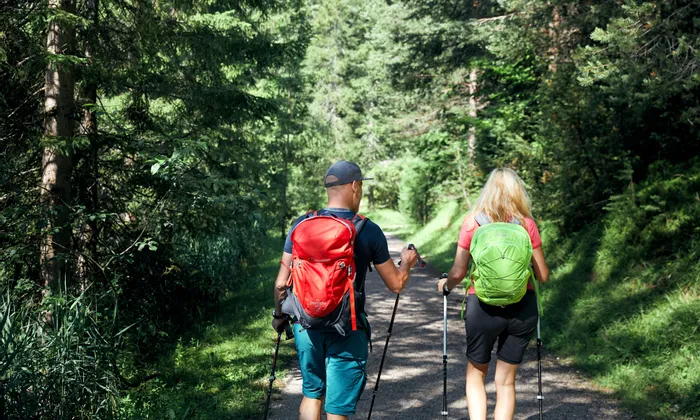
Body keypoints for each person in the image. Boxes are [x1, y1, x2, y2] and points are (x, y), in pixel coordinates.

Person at [272, 160, 418, 420]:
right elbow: (396, 284)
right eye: (360, 186)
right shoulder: (368, 230)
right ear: (354, 186)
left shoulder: (300, 225)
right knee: (338, 408)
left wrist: (279, 316)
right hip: (347, 328)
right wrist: (406, 264)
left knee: (312, 393)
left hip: (306, 325)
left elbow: (281, 283)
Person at [437, 168, 550, 420]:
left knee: (476, 376)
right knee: (506, 382)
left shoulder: (472, 223)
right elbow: (543, 275)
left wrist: (446, 285)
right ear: (517, 193)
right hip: (522, 308)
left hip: (482, 308)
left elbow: (457, 272)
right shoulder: (527, 225)